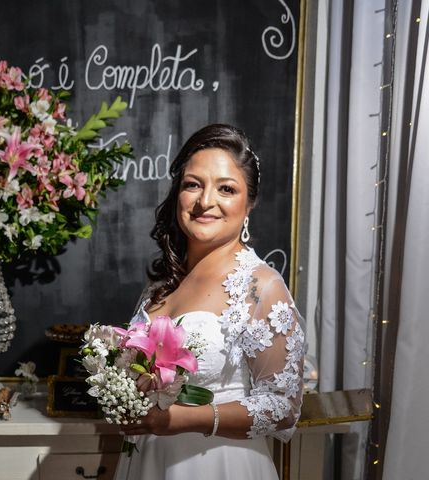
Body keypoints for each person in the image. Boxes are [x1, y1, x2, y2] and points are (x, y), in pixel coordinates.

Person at [114, 124, 305, 479]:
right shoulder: (161, 284)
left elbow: (284, 407)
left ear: (249, 204)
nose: (205, 201)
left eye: (226, 189)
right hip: (149, 464)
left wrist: (184, 419)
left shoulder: (261, 287)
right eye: (193, 184)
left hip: (220, 465)